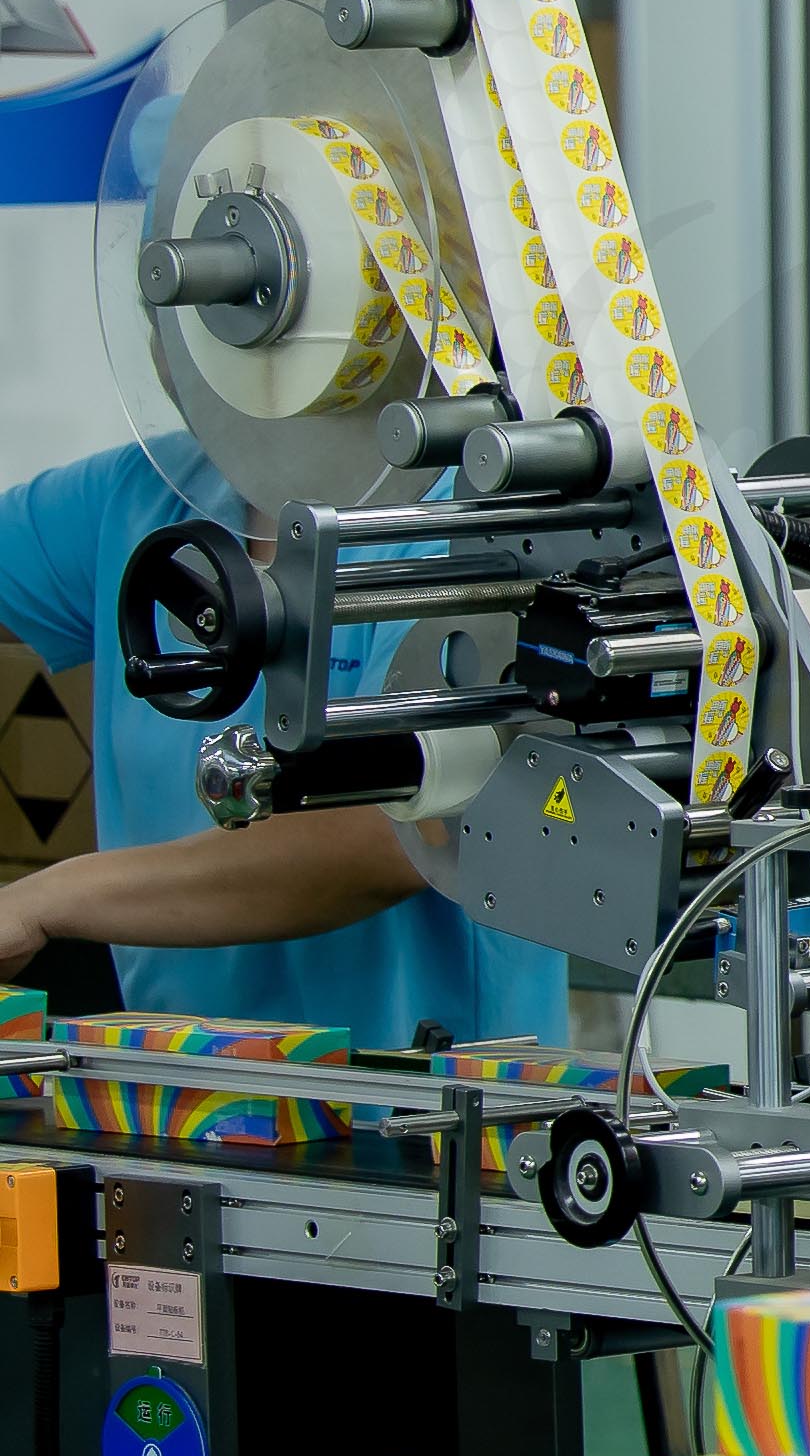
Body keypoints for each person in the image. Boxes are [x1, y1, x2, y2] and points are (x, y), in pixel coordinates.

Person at [0, 438, 566, 1041]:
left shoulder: (463, 512)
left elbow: (405, 832)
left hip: (426, 1090)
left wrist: (41, 903)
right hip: (180, 1082)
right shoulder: (143, 493)